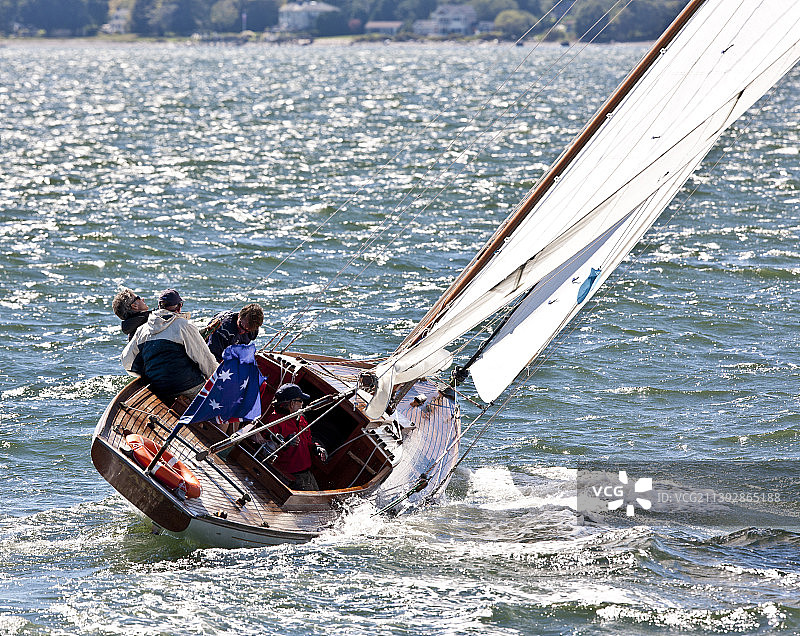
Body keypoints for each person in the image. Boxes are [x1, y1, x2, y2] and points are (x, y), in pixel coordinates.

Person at [122, 288, 218, 403]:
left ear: (159, 306)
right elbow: (204, 358)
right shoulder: (184, 325)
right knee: (222, 401)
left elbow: (126, 361)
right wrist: (217, 378)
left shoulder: (142, 330)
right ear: (179, 307)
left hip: (160, 392)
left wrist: (147, 373)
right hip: (188, 387)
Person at [256, 383, 327, 491]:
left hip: (305, 472)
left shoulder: (301, 419)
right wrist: (285, 442)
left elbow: (308, 440)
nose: (302, 404)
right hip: (290, 476)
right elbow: (267, 443)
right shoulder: (275, 421)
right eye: (300, 401)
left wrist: (316, 447)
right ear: (292, 403)